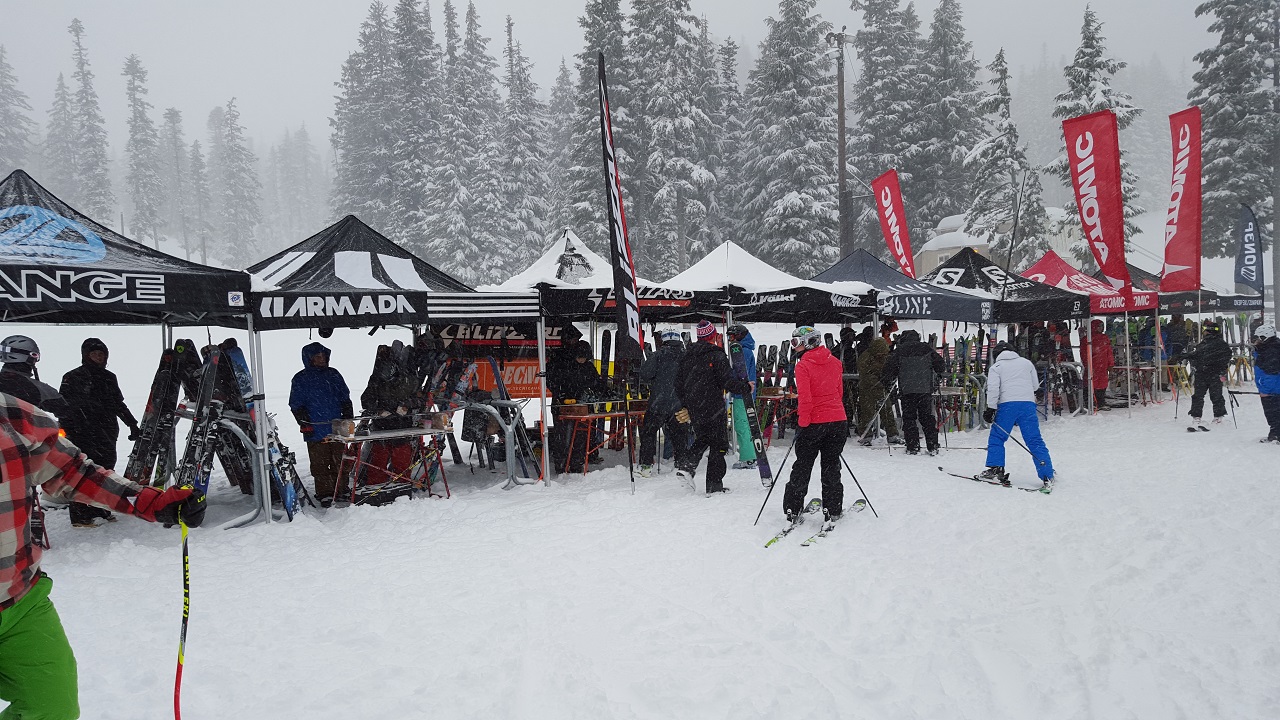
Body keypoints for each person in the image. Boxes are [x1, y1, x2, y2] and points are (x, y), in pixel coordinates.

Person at [0, 391, 204, 720]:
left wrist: (150, 502)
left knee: (52, 708)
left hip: (21, 600)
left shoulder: (11, 416)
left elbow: (73, 472)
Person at [59, 338, 141, 528]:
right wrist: (67, 429)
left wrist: (132, 424)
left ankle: (101, 508)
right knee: (83, 472)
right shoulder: (72, 377)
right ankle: (81, 514)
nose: (98, 357)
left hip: (106, 431)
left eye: (101, 354)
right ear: (85, 355)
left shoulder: (109, 377)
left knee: (105, 471)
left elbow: (118, 404)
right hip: (81, 432)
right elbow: (63, 406)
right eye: (94, 353)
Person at [674, 320, 750, 495]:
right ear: (713, 336)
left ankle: (687, 467)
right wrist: (745, 387)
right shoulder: (716, 355)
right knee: (719, 445)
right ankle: (714, 486)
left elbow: (677, 383)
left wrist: (686, 404)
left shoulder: (687, 356)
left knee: (704, 438)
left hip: (694, 406)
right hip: (713, 405)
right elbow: (727, 380)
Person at [781, 326, 848, 522]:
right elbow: (839, 392)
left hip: (814, 423)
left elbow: (806, 399)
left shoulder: (802, 366)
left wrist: (803, 423)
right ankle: (833, 508)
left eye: (796, 343)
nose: (794, 347)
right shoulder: (835, 362)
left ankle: (793, 508)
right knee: (831, 466)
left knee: (802, 466)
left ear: (808, 342)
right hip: (837, 422)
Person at [980, 343, 1055, 488]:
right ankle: (1047, 473)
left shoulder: (996, 368)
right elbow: (1035, 386)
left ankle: (996, 469)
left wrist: (990, 408)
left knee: (997, 437)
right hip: (1027, 405)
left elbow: (993, 389)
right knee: (1034, 440)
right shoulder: (1026, 363)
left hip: (1007, 406)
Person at [289, 341, 353, 506]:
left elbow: (345, 398)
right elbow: (296, 405)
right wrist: (305, 424)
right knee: (320, 464)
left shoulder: (334, 374)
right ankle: (324, 492)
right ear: (309, 358)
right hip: (315, 428)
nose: (321, 359)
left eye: (323, 356)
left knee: (341, 460)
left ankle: (342, 489)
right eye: (317, 356)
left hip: (337, 426)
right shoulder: (300, 378)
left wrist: (348, 418)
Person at [360, 340, 424, 485]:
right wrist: (378, 409)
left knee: (402, 465)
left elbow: (420, 400)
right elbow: (365, 399)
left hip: (403, 428)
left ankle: (401, 488)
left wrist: (407, 405)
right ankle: (375, 489)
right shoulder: (376, 379)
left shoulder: (410, 380)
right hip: (381, 428)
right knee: (377, 466)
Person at [882, 329, 945, 455]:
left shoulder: (899, 351)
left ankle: (913, 446)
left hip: (907, 390)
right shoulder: (926, 348)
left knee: (909, 419)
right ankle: (932, 445)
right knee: (927, 418)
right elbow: (940, 365)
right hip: (924, 390)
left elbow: (888, 371)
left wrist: (888, 383)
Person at [637, 331, 688, 476]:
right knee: (680, 436)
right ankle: (681, 465)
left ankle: (646, 466)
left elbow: (645, 374)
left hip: (658, 404)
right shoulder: (685, 356)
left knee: (648, 434)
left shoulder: (658, 355)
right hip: (678, 404)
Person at [550, 340, 606, 472]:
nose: (582, 360)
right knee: (563, 438)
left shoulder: (589, 367)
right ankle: (561, 465)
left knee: (581, 438)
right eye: (579, 357)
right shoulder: (563, 366)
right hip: (563, 407)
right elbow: (553, 382)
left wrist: (604, 391)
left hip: (583, 408)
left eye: (584, 357)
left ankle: (577, 464)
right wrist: (561, 394)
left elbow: (597, 383)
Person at [1172, 320, 1232, 427]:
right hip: (1211, 374)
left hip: (1206, 373)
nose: (1203, 332)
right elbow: (1198, 354)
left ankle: (1199, 418)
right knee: (1214, 395)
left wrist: (1186, 356)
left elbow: (1197, 354)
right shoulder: (1218, 344)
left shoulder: (1211, 344)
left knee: (1200, 396)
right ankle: (1215, 417)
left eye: (1205, 330)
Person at [0, 335, 71, 417]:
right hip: (21, 429)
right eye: (35, 356)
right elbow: (65, 411)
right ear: (30, 357)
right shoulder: (37, 389)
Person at [856, 329, 900, 445]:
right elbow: (865, 375)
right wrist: (879, 383)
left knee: (887, 412)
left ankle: (892, 434)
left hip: (882, 389)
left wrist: (888, 380)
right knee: (867, 413)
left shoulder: (885, 357)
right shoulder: (865, 357)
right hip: (867, 389)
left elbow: (889, 369)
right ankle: (866, 436)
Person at [725, 324, 758, 470]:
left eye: (732, 336)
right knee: (745, 424)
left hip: (742, 393)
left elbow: (739, 373)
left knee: (741, 425)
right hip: (746, 392)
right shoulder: (746, 350)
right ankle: (750, 456)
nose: (730, 340)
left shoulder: (742, 351)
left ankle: (748, 457)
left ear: (739, 335)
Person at [1252, 324, 1280, 443]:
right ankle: (1275, 432)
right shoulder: (1272, 347)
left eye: (1259, 338)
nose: (1257, 341)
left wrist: (1264, 388)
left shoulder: (1269, 350)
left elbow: (1270, 371)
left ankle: (1275, 433)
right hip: (1271, 386)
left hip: (1271, 388)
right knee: (1274, 411)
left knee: (1272, 411)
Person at [1086, 319, 1115, 411]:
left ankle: (1101, 402)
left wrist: (1111, 365)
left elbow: (1109, 352)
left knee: (1103, 384)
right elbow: (1084, 353)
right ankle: (1092, 402)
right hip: (1093, 366)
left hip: (1103, 366)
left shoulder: (1104, 338)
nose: (1101, 328)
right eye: (1099, 326)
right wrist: (1087, 365)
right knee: (1092, 384)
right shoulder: (1088, 339)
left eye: (1102, 326)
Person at [837, 327, 860, 429]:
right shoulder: (843, 350)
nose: (853, 338)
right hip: (845, 380)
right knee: (847, 401)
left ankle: (848, 420)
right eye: (851, 336)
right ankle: (846, 421)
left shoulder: (851, 349)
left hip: (851, 379)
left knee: (851, 401)